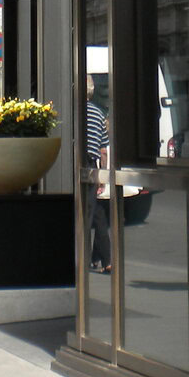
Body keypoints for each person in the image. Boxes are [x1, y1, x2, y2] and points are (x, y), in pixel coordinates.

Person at [85, 76, 111, 274]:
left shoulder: (73, 112)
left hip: (77, 163)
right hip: (93, 166)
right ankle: (104, 259)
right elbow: (103, 151)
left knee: (85, 214)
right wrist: (102, 176)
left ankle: (86, 258)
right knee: (95, 211)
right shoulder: (98, 113)